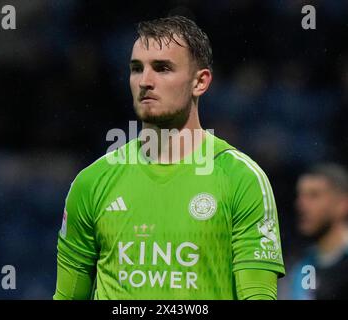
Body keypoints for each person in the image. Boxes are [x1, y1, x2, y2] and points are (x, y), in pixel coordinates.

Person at [53, 15, 285, 300]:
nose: (145, 81)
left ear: (200, 82)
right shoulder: (91, 182)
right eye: (136, 69)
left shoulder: (242, 179)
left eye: (162, 68)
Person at [286, 163, 348, 299]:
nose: (301, 204)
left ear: (342, 204)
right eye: (300, 196)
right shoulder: (301, 267)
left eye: (314, 195)